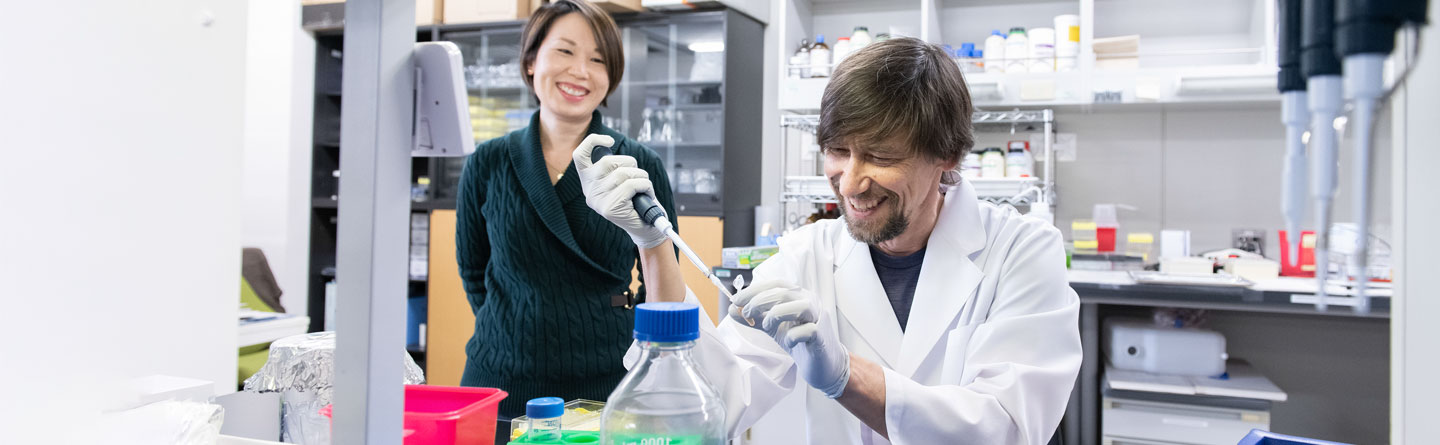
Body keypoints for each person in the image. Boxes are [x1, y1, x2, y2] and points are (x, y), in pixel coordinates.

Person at [573, 37, 1081, 444]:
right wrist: (652, 245)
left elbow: (1007, 428)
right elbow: (713, 399)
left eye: (881, 157)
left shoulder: (1021, 250)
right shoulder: (808, 254)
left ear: (946, 155)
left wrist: (845, 376)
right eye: (837, 151)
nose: (851, 182)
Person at [453, 0, 684, 431]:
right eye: (564, 51)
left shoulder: (636, 164)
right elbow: (473, 271)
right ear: (530, 61)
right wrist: (517, 326)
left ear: (610, 77)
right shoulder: (488, 161)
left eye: (598, 60)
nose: (581, 70)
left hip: (608, 386)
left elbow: (665, 296)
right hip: (500, 384)